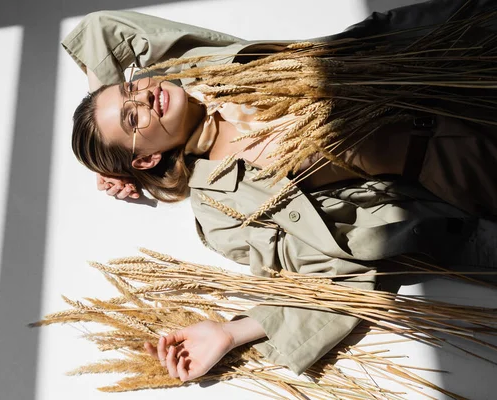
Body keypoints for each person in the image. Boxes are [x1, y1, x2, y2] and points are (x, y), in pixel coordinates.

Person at [62, 1, 497, 382]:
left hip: (444, 52)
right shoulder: (222, 206)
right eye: (132, 119)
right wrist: (232, 332)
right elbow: (330, 272)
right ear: (146, 159)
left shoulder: (194, 70)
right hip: (461, 155)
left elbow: (104, 27)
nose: (144, 97)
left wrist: (112, 133)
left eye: (131, 89)